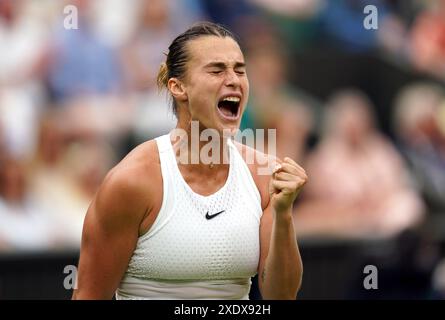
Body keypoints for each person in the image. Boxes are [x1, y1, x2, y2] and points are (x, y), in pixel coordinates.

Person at [72, 21, 307, 300]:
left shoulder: (263, 174)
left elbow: (281, 296)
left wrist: (283, 214)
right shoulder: (133, 181)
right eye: (217, 70)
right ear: (178, 87)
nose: (233, 79)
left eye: (240, 70)